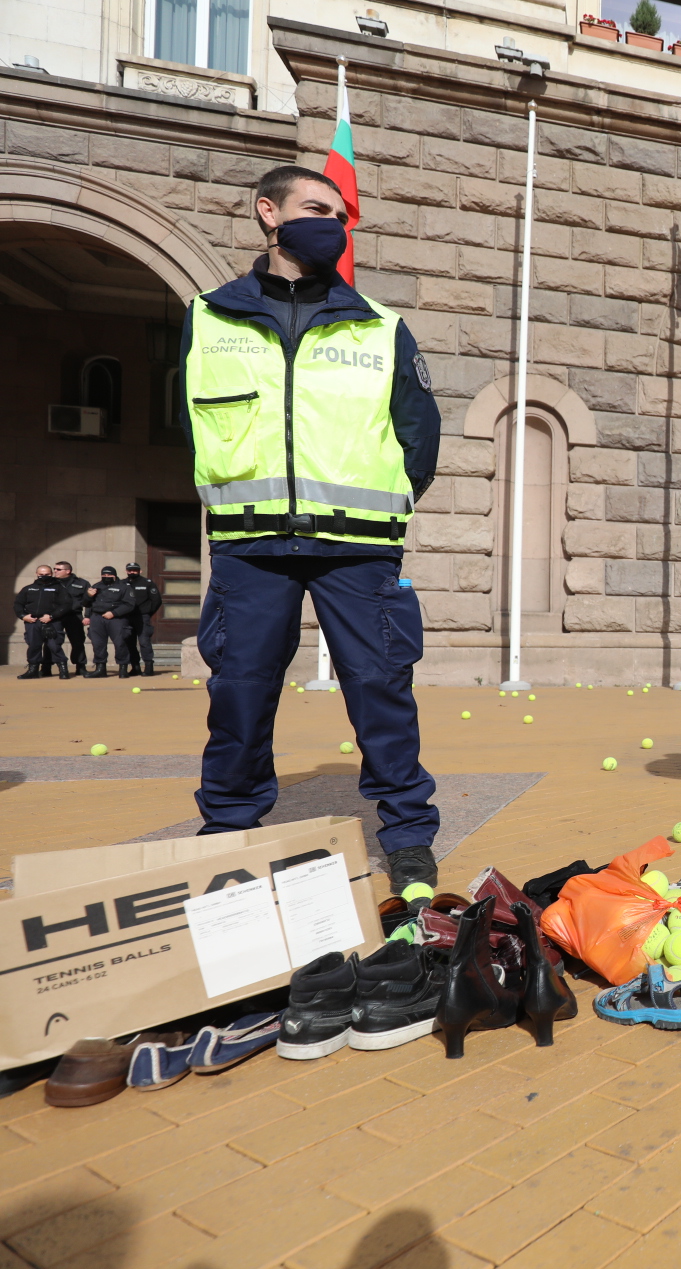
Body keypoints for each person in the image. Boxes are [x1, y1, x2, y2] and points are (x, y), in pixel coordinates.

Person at [181, 164, 441, 894]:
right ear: (269, 213)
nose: (332, 222)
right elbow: (193, 426)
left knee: (380, 691)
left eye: (340, 214)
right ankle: (228, 833)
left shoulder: (380, 326)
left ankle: (410, 837)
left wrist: (378, 506)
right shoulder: (207, 317)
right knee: (239, 693)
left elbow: (419, 439)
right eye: (315, 207)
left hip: (357, 548)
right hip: (250, 545)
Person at [13, 566, 69, 680]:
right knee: (33, 645)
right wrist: (23, 616)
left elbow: (66, 605)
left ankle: (63, 670)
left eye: (47, 574)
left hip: (52, 622)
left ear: (51, 574)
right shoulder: (28, 589)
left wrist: (52, 616)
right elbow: (18, 604)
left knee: (54, 646)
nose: (44, 576)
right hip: (33, 622)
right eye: (41, 574)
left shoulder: (59, 588)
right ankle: (33, 670)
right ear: (36, 574)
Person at [84, 566, 139, 678]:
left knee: (120, 643)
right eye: (104, 575)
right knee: (98, 644)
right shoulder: (96, 586)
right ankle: (100, 668)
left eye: (109, 575)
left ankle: (123, 668)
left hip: (116, 619)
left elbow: (129, 604)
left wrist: (114, 613)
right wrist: (88, 597)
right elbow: (87, 604)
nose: (106, 577)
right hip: (97, 618)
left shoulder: (124, 587)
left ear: (114, 575)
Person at [123, 563, 161, 677]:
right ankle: (135, 667)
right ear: (126, 571)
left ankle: (149, 667)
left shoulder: (147, 583)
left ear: (140, 571)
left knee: (144, 642)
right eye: (130, 570)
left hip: (142, 617)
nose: (132, 572)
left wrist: (148, 612)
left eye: (135, 570)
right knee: (129, 642)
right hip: (126, 617)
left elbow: (156, 600)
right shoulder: (122, 583)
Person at [50, 562, 89, 669]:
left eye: (58, 569)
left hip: (74, 615)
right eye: (55, 569)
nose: (55, 571)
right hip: (55, 616)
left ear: (68, 571)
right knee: (52, 641)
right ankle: (46, 667)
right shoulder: (51, 583)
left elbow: (89, 601)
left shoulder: (82, 583)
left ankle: (80, 666)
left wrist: (87, 616)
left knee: (78, 642)